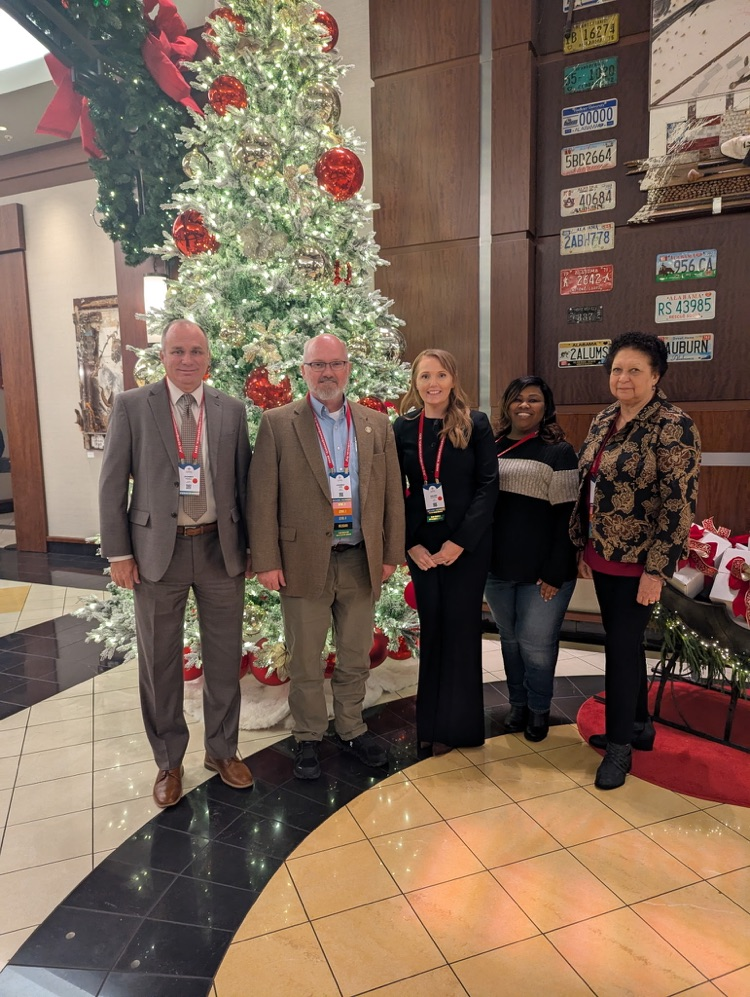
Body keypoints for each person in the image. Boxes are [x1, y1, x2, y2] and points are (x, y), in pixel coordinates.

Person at [99, 319, 254, 808]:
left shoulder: (231, 410)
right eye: (177, 351)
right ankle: (168, 760)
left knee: (225, 657)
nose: (187, 360)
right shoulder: (132, 405)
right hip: (154, 555)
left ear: (209, 358)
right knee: (160, 662)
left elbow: (246, 485)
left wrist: (252, 549)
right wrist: (119, 553)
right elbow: (111, 484)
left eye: (196, 351)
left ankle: (222, 751)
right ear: (162, 356)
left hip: (219, 550)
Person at [249, 334, 405, 780]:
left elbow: (392, 493)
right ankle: (309, 737)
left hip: (360, 559)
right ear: (304, 371)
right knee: (304, 660)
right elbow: (262, 498)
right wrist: (266, 560)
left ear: (348, 368)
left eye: (336, 364)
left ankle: (352, 729)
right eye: (318, 365)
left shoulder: (375, 424)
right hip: (301, 562)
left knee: (355, 655)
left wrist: (390, 553)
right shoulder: (279, 423)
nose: (327, 373)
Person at [571, 332, 700, 790]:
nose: (623, 378)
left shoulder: (673, 425)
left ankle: (620, 749)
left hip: (640, 562)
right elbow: (588, 484)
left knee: (621, 651)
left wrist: (656, 570)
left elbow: (678, 505)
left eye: (634, 370)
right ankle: (639, 726)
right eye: (616, 370)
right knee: (621, 643)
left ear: (656, 375)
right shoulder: (605, 418)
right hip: (602, 554)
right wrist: (582, 545)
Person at [394, 350, 498, 754]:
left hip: (466, 547)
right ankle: (431, 728)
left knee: (462, 632)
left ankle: (463, 729)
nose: (432, 383)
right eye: (424, 376)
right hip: (422, 547)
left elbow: (488, 486)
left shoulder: (475, 424)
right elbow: (393, 490)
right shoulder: (402, 427)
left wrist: (460, 542)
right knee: (433, 633)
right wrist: (410, 543)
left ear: (453, 379)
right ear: (415, 382)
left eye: (440, 375)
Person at [484, 376, 579, 743]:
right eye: (518, 399)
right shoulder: (490, 446)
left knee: (536, 644)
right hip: (497, 570)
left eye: (534, 399)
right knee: (509, 640)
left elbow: (567, 518)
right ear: (507, 404)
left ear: (546, 407)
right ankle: (518, 704)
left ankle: (539, 710)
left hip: (543, 572)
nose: (524, 405)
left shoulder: (558, 451)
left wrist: (557, 570)